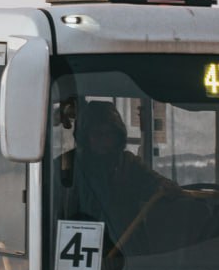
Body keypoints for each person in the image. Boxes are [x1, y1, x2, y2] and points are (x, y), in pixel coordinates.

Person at [59, 101, 182, 251]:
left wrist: (165, 186)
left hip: (126, 252)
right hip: (79, 247)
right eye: (98, 134)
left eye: (110, 133)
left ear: (119, 135)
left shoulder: (128, 164)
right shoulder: (66, 166)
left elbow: (154, 182)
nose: (105, 140)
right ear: (85, 136)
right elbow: (54, 211)